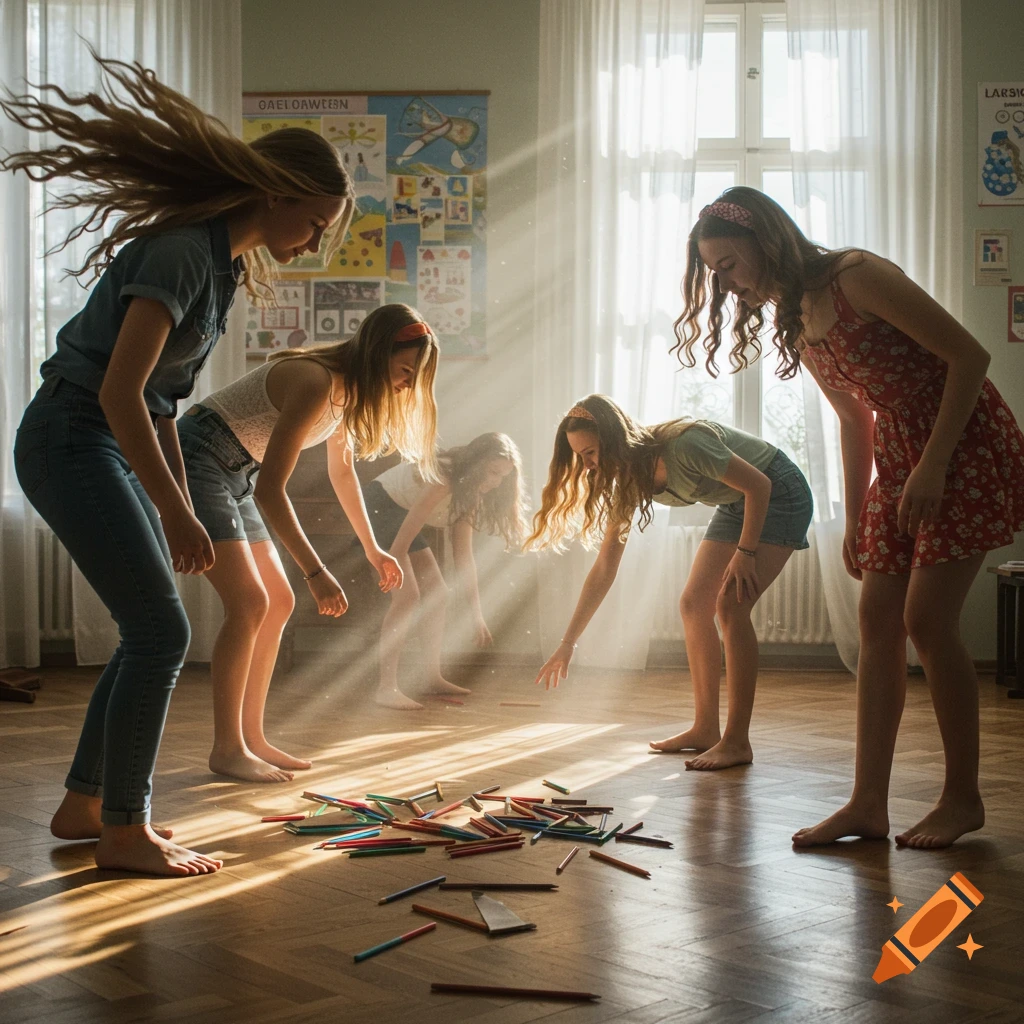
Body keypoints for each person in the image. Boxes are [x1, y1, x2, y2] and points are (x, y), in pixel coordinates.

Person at [4, 54, 354, 875]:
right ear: (277, 192)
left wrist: (176, 503)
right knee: (161, 630)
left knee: (148, 630)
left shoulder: (220, 264)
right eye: (315, 221)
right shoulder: (181, 255)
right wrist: (173, 508)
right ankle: (126, 829)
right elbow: (120, 392)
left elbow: (158, 404)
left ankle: (87, 804)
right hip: (70, 433)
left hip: (103, 436)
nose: (315, 241)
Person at [675, 186, 1024, 847]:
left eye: (726, 264)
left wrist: (935, 465)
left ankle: (963, 797)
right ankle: (867, 804)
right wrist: (862, 510)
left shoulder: (855, 276)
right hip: (900, 454)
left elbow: (969, 358)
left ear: (764, 239)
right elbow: (852, 419)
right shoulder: (797, 317)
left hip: (965, 442)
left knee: (927, 620)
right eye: (712, 271)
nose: (722, 283)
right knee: (875, 621)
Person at [178, 305, 438, 776]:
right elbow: (273, 491)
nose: (406, 385)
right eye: (404, 371)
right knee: (251, 603)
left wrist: (371, 547)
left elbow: (344, 475)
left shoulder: (346, 394)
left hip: (235, 472)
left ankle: (252, 739)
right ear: (379, 353)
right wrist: (316, 573)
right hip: (198, 459)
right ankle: (227, 748)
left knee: (276, 601)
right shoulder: (316, 381)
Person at [528, 395, 812, 769]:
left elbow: (759, 485)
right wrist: (568, 643)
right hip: (736, 504)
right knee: (694, 605)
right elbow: (605, 567)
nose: (587, 465)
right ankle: (706, 729)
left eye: (591, 452)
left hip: (778, 493)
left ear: (614, 438)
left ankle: (737, 741)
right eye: (580, 457)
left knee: (731, 605)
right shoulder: (628, 480)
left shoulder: (684, 445)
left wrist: (745, 552)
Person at [364, 432, 528, 709]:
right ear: (476, 463)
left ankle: (431, 677)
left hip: (401, 514)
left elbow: (463, 557)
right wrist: (392, 571)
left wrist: (476, 613)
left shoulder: (470, 496)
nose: (496, 481)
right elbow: (400, 545)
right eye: (492, 472)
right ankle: (386, 687)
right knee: (408, 598)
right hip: (379, 505)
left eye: (503, 476)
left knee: (438, 592)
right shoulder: (443, 481)